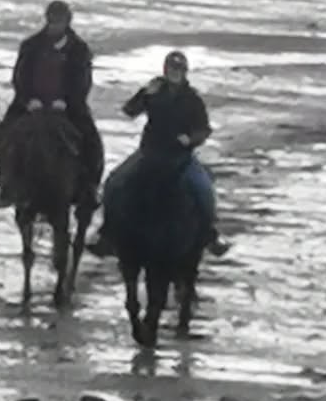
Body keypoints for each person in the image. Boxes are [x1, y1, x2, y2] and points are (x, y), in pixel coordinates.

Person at [89, 50, 229, 257]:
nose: (175, 73)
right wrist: (144, 94)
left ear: (185, 72)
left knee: (202, 187)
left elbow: (204, 128)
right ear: (165, 70)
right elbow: (129, 111)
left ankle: (210, 234)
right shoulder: (154, 91)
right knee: (114, 182)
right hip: (150, 152)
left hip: (180, 156)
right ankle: (107, 234)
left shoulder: (192, 98)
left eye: (179, 70)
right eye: (172, 69)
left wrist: (190, 139)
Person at [0, 0, 103, 211]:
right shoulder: (31, 45)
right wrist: (28, 99)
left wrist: (68, 101)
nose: (55, 26)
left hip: (68, 108)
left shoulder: (79, 49)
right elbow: (19, 77)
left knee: (92, 141)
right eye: (52, 22)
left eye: (59, 22)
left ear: (67, 23)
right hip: (31, 105)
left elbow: (83, 80)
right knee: (3, 135)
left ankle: (90, 188)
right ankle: (5, 184)